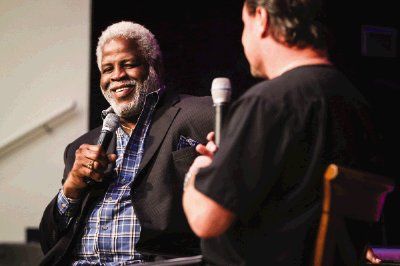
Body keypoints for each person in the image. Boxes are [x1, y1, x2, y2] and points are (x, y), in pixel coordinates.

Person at [182, 0, 384, 265]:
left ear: (262, 19)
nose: (243, 39)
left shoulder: (269, 103)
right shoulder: (359, 103)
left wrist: (201, 168)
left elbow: (205, 220)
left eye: (244, 25)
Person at [39, 21, 213, 265]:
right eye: (107, 69)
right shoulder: (81, 148)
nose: (117, 76)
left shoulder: (200, 114)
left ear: (154, 67)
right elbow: (50, 243)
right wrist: (72, 188)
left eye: (128, 64)